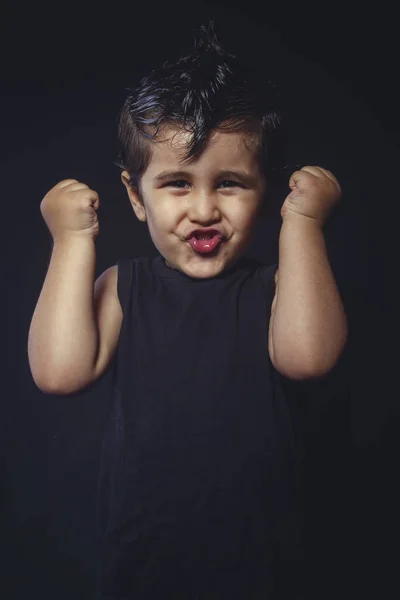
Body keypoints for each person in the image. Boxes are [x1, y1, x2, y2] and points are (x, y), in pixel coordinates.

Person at [28, 21, 348, 600]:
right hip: (145, 562)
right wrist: (71, 241)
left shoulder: (281, 288)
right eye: (176, 183)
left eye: (229, 183)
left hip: (267, 564)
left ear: (266, 192)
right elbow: (59, 371)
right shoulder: (125, 287)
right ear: (135, 197)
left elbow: (308, 358)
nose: (203, 209)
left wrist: (303, 224)